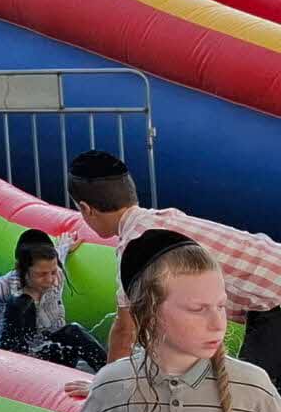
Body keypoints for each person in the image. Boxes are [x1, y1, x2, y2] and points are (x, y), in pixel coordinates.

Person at [42, 231, 281, 412]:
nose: (218, 323)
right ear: (150, 313)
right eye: (198, 309)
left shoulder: (252, 387)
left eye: (220, 306)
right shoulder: (113, 385)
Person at [68, 149, 281, 387]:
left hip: (275, 304)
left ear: (86, 209)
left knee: (247, 392)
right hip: (272, 285)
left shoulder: (137, 244)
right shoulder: (166, 217)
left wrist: (104, 387)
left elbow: (125, 330)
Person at [0, 228, 105, 370]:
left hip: (55, 350)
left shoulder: (55, 275)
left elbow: (57, 259)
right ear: (21, 269)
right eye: (41, 275)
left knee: (73, 331)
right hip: (16, 357)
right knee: (22, 303)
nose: (49, 280)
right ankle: (20, 366)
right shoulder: (2, 286)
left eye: (52, 272)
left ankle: (109, 374)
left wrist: (63, 247)